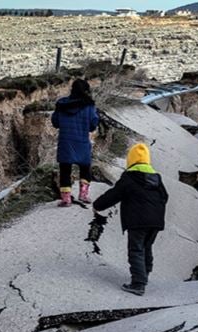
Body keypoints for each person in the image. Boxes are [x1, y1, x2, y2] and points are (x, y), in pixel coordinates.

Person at [92, 143, 169, 296]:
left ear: (131, 160)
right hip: (156, 221)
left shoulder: (129, 177)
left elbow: (114, 195)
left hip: (137, 220)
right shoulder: (156, 178)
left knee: (136, 249)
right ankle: (145, 274)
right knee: (147, 247)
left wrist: (97, 205)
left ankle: (138, 284)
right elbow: (165, 197)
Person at [51, 79, 99, 207]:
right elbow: (93, 126)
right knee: (85, 168)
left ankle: (66, 199)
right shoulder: (89, 106)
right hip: (82, 142)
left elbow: (55, 122)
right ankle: (83, 194)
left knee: (65, 170)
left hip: (66, 142)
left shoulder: (61, 104)